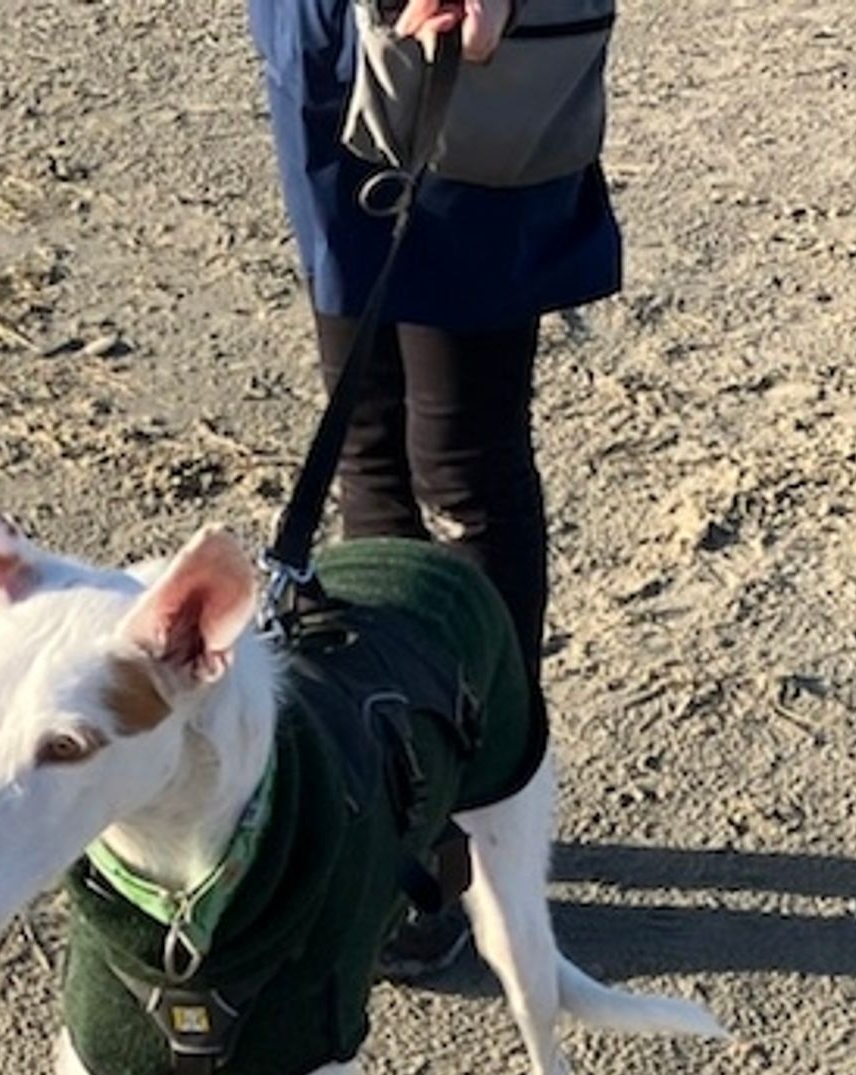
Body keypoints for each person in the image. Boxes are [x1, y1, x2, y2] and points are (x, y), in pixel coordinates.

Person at [248, 0, 622, 976]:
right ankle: (408, 808)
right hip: (325, 32)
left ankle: (482, 812)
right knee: (367, 434)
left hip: (464, 31)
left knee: (460, 456)